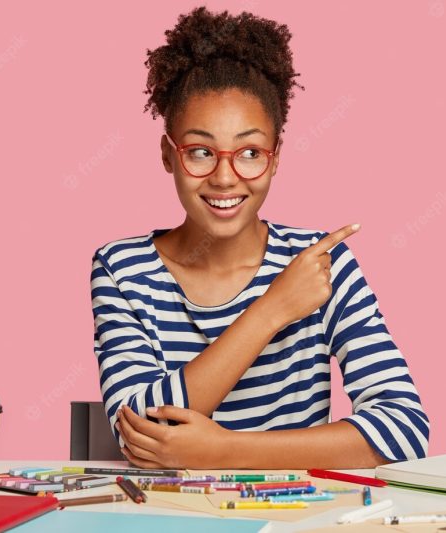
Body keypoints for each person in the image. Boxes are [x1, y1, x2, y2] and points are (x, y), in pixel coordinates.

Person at [90, 6, 428, 469]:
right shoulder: (122, 270)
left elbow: (404, 429)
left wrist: (225, 450)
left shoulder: (321, 265)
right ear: (168, 155)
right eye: (201, 152)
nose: (225, 177)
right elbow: (146, 437)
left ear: (275, 158)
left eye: (250, 152)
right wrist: (272, 309)